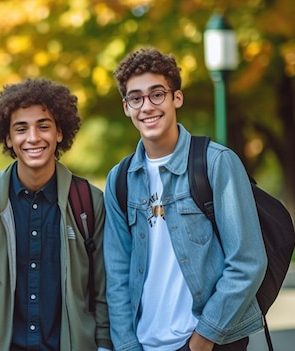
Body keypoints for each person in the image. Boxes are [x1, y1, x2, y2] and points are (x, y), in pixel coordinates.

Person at [103, 47, 268, 351]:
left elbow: (248, 262)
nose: (147, 106)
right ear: (126, 107)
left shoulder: (216, 163)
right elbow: (116, 276)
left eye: (157, 94)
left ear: (176, 98)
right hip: (143, 344)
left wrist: (204, 338)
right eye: (136, 98)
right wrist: (126, 345)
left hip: (206, 342)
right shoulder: (120, 179)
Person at [0, 78, 112, 351]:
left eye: (43, 126)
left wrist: (103, 343)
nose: (33, 138)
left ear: (59, 133)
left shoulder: (88, 202)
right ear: (8, 138)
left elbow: (103, 286)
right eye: (21, 129)